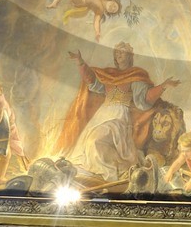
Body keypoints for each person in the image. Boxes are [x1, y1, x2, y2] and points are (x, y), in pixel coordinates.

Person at [58, 43, 180, 178]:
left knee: (95, 141)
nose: (119, 55)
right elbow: (93, 82)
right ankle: (108, 169)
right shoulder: (109, 74)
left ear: (130, 56)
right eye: (117, 52)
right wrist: (80, 62)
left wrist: (163, 86)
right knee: (88, 144)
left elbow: (145, 99)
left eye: (122, 52)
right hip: (102, 115)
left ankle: (114, 170)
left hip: (118, 117)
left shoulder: (136, 76)